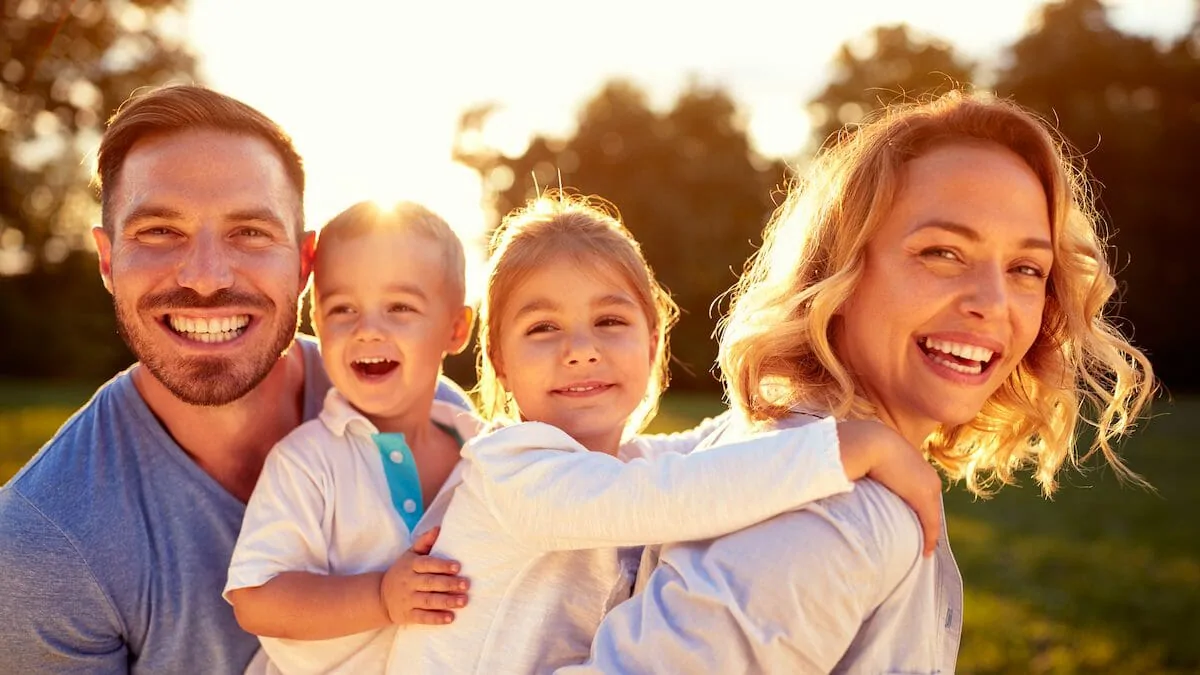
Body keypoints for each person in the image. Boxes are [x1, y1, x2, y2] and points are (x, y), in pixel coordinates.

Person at [566, 91, 1156, 674]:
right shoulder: (836, 517)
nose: (993, 302)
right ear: (840, 271)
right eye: (943, 253)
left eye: (1027, 268)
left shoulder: (754, 449)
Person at [0, 85, 469, 673]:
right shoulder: (44, 544)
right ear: (107, 259)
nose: (205, 278)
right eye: (159, 231)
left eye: (249, 231)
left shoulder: (426, 414)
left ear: (303, 263)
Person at [389, 194, 945, 674]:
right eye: (543, 328)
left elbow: (704, 447)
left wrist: (808, 401)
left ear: (653, 343)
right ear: (501, 362)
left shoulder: (620, 461)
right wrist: (848, 449)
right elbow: (672, 492)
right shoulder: (512, 468)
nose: (581, 348)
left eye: (610, 321)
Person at [223, 201, 480, 675]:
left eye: (400, 307)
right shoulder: (308, 462)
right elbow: (256, 600)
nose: (367, 330)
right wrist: (381, 597)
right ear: (317, 325)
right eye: (343, 309)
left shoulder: (484, 455)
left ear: (455, 328)